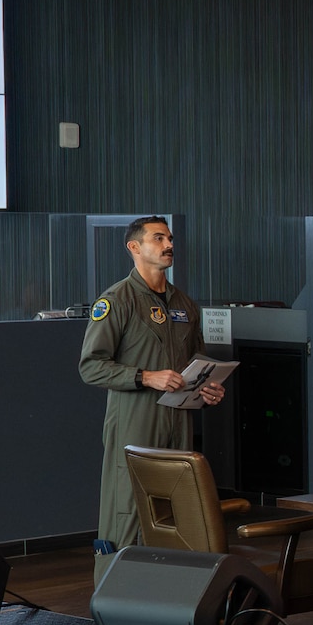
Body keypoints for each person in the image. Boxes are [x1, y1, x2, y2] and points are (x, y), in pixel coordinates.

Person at [78, 216, 224, 578]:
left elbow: (197, 362)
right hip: (135, 419)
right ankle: (116, 593)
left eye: (169, 238)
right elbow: (91, 367)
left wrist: (208, 387)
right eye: (158, 238)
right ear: (134, 248)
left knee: (177, 506)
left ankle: (173, 591)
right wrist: (144, 376)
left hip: (178, 419)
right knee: (128, 507)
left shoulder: (184, 304)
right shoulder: (116, 300)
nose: (168, 244)